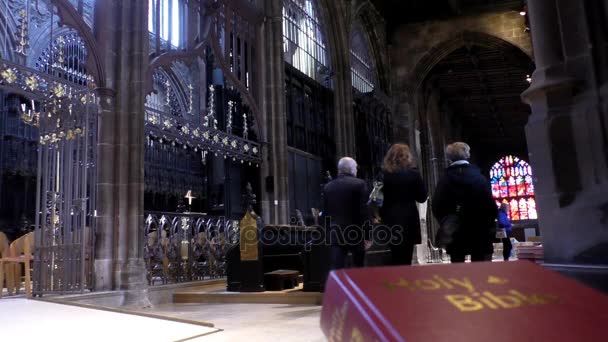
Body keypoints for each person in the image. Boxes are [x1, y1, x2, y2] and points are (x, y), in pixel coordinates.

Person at [432, 142, 498, 263]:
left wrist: (446, 220)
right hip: (478, 228)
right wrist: (488, 222)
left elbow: (437, 206)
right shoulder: (479, 177)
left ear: (449, 157)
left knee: (457, 267)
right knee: (479, 265)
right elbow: (489, 204)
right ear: (467, 155)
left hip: (455, 230)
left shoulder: (445, 180)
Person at [378, 144, 428, 265]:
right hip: (409, 220)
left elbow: (378, 198)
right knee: (406, 256)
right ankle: (405, 280)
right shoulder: (414, 174)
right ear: (407, 157)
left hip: (390, 220)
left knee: (395, 254)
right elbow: (422, 198)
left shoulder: (383, 175)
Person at [322, 157, 370, 270]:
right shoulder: (360, 184)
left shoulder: (328, 187)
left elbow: (326, 213)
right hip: (356, 233)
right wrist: (368, 235)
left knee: (337, 267)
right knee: (359, 266)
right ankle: (358, 287)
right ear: (352, 169)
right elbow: (364, 211)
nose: (356, 170)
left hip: (336, 233)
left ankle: (338, 287)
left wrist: (326, 233)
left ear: (339, 170)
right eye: (356, 168)